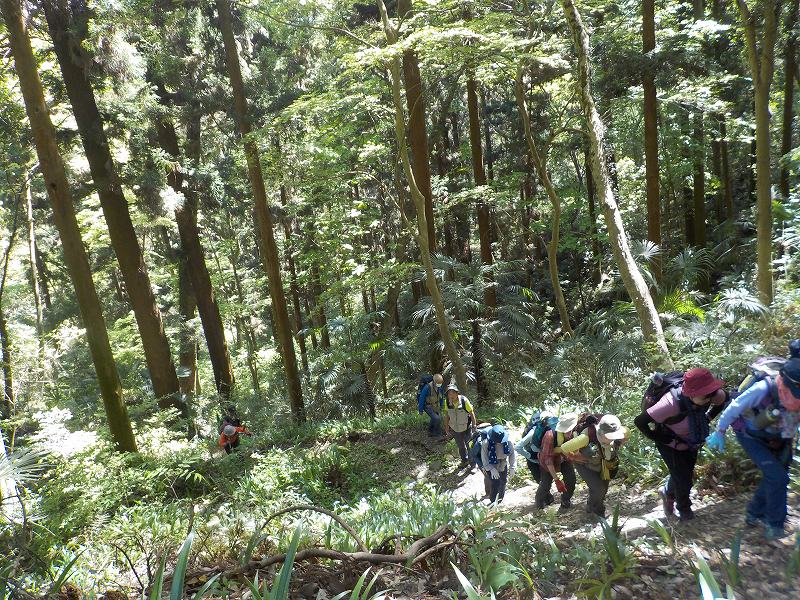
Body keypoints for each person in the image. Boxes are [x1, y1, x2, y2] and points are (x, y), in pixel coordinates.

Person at [706, 357, 800, 540]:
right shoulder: (763, 388)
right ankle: (775, 525)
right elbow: (734, 408)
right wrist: (720, 431)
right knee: (778, 476)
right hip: (750, 436)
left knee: (777, 475)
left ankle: (754, 513)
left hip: (781, 435)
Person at [634, 368, 727, 522]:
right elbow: (640, 421)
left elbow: (722, 401)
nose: (709, 399)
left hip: (692, 440)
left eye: (711, 393)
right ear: (690, 393)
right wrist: (658, 437)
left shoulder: (713, 395)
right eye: (705, 395)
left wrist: (708, 418)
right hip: (670, 443)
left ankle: (667, 492)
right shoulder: (669, 403)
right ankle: (684, 509)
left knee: (684, 474)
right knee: (684, 478)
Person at [561, 414, 629, 519]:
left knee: (603, 489)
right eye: (610, 436)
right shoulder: (585, 438)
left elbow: (627, 433)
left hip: (602, 462)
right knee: (598, 489)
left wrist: (622, 440)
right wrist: (575, 457)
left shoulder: (621, 432)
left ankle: (594, 506)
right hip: (583, 464)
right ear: (601, 433)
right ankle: (595, 512)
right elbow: (564, 448)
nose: (613, 439)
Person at [521, 411, 578, 510]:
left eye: (570, 431)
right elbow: (548, 461)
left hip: (564, 459)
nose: (569, 434)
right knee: (545, 484)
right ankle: (539, 504)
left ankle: (565, 501)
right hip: (547, 460)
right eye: (567, 432)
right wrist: (557, 480)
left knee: (571, 480)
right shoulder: (550, 435)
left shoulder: (574, 433)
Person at [480, 424, 516, 504]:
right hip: (491, 464)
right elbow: (484, 458)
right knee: (494, 483)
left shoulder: (508, 442)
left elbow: (512, 454)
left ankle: (500, 499)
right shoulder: (486, 443)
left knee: (503, 481)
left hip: (503, 463)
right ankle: (493, 501)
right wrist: (491, 469)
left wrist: (512, 467)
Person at [443, 383, 477, 465]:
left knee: (469, 445)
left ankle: (472, 464)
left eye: (453, 393)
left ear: (457, 393)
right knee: (460, 446)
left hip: (466, 427)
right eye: (449, 393)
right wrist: (446, 428)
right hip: (455, 429)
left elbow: (471, 413)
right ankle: (464, 461)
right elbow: (447, 415)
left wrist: (474, 425)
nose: (451, 395)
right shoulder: (447, 402)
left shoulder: (464, 401)